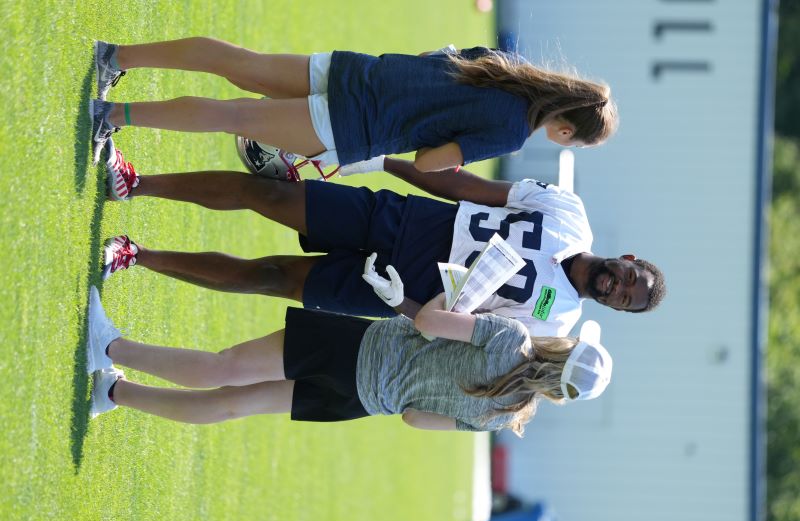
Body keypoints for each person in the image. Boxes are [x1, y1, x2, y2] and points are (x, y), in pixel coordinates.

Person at [100, 145, 667, 337]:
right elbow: (466, 187)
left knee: (266, 276)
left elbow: (460, 331)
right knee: (270, 197)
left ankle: (135, 255)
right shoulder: (569, 212)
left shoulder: (558, 319)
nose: (619, 289)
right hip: (407, 224)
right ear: (631, 258)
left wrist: (399, 302)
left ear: (617, 309)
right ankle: (136, 183)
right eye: (631, 280)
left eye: (626, 301)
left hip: (402, 289)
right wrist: (385, 161)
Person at [84, 271, 613, 433]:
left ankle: (108, 345)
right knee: (231, 404)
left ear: (565, 350)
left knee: (227, 370)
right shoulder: (504, 419)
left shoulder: (512, 339)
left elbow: (428, 322)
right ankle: (115, 391)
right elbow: (413, 419)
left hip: (357, 349)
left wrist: (460, 292)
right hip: (359, 402)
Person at [90, 37, 618, 169]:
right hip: (353, 123)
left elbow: (434, 57)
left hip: (359, 71)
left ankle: (116, 57)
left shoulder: (511, 66)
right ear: (567, 130)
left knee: (240, 61)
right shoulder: (512, 132)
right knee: (233, 116)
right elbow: (427, 162)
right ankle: (111, 115)